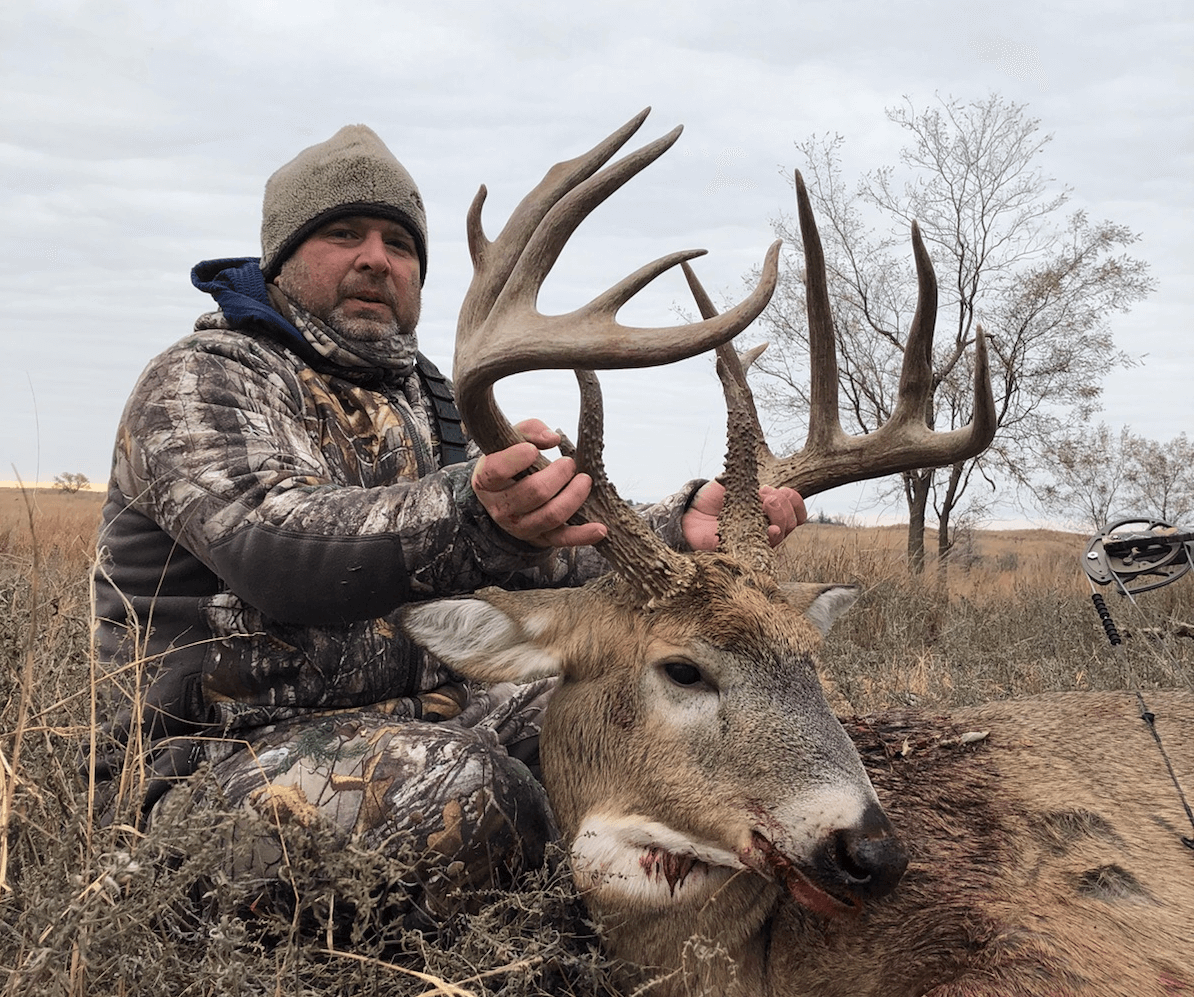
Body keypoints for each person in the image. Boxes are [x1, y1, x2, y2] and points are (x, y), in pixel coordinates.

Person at [90, 124, 805, 917]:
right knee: (471, 796)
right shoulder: (202, 382)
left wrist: (672, 527)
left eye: (400, 243)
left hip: (425, 721)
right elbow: (276, 545)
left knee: (630, 712)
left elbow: (528, 551)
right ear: (280, 259)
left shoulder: (429, 404)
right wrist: (471, 510)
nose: (375, 258)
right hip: (216, 768)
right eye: (342, 233)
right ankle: (553, 948)